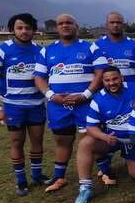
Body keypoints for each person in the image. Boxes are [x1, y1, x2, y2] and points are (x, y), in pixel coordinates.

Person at [34, 14, 107, 192]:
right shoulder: (47, 50)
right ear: (56, 28)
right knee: (62, 139)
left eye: (69, 23)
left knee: (91, 138)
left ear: (76, 26)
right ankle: (60, 177)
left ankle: (106, 171)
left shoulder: (91, 47)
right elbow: (39, 78)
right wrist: (52, 96)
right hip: (59, 105)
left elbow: (101, 73)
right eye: (61, 23)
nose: (65, 26)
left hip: (86, 104)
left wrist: (86, 94)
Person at [0, 13, 48, 196]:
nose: (24, 31)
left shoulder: (41, 51)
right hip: (13, 107)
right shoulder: (0, 51)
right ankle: (21, 181)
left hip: (36, 105)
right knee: (16, 142)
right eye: (19, 27)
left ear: (34, 30)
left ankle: (37, 175)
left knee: (37, 141)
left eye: (28, 28)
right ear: (12, 29)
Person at [74, 67, 135, 203]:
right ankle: (85, 187)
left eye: (115, 79)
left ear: (122, 78)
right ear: (103, 82)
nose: (112, 83)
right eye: (107, 80)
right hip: (113, 138)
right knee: (85, 143)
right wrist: (104, 137)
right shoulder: (98, 99)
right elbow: (90, 127)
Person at [95, 11, 135, 82]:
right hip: (108, 88)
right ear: (106, 25)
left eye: (118, 22)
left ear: (123, 25)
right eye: (112, 22)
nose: (115, 25)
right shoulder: (97, 46)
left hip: (131, 88)